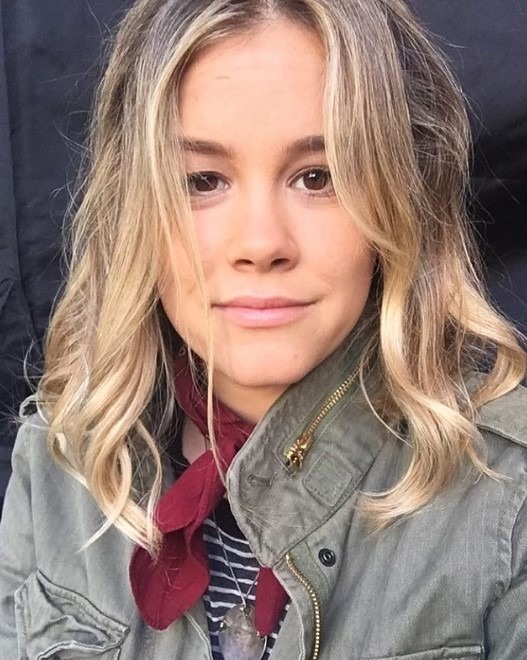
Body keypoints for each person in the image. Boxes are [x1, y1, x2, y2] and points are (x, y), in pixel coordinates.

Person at [1, 0, 526, 657]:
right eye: (202, 181)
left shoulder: (510, 495)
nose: (260, 243)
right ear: (132, 206)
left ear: (402, 197)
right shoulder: (63, 453)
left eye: (318, 177)